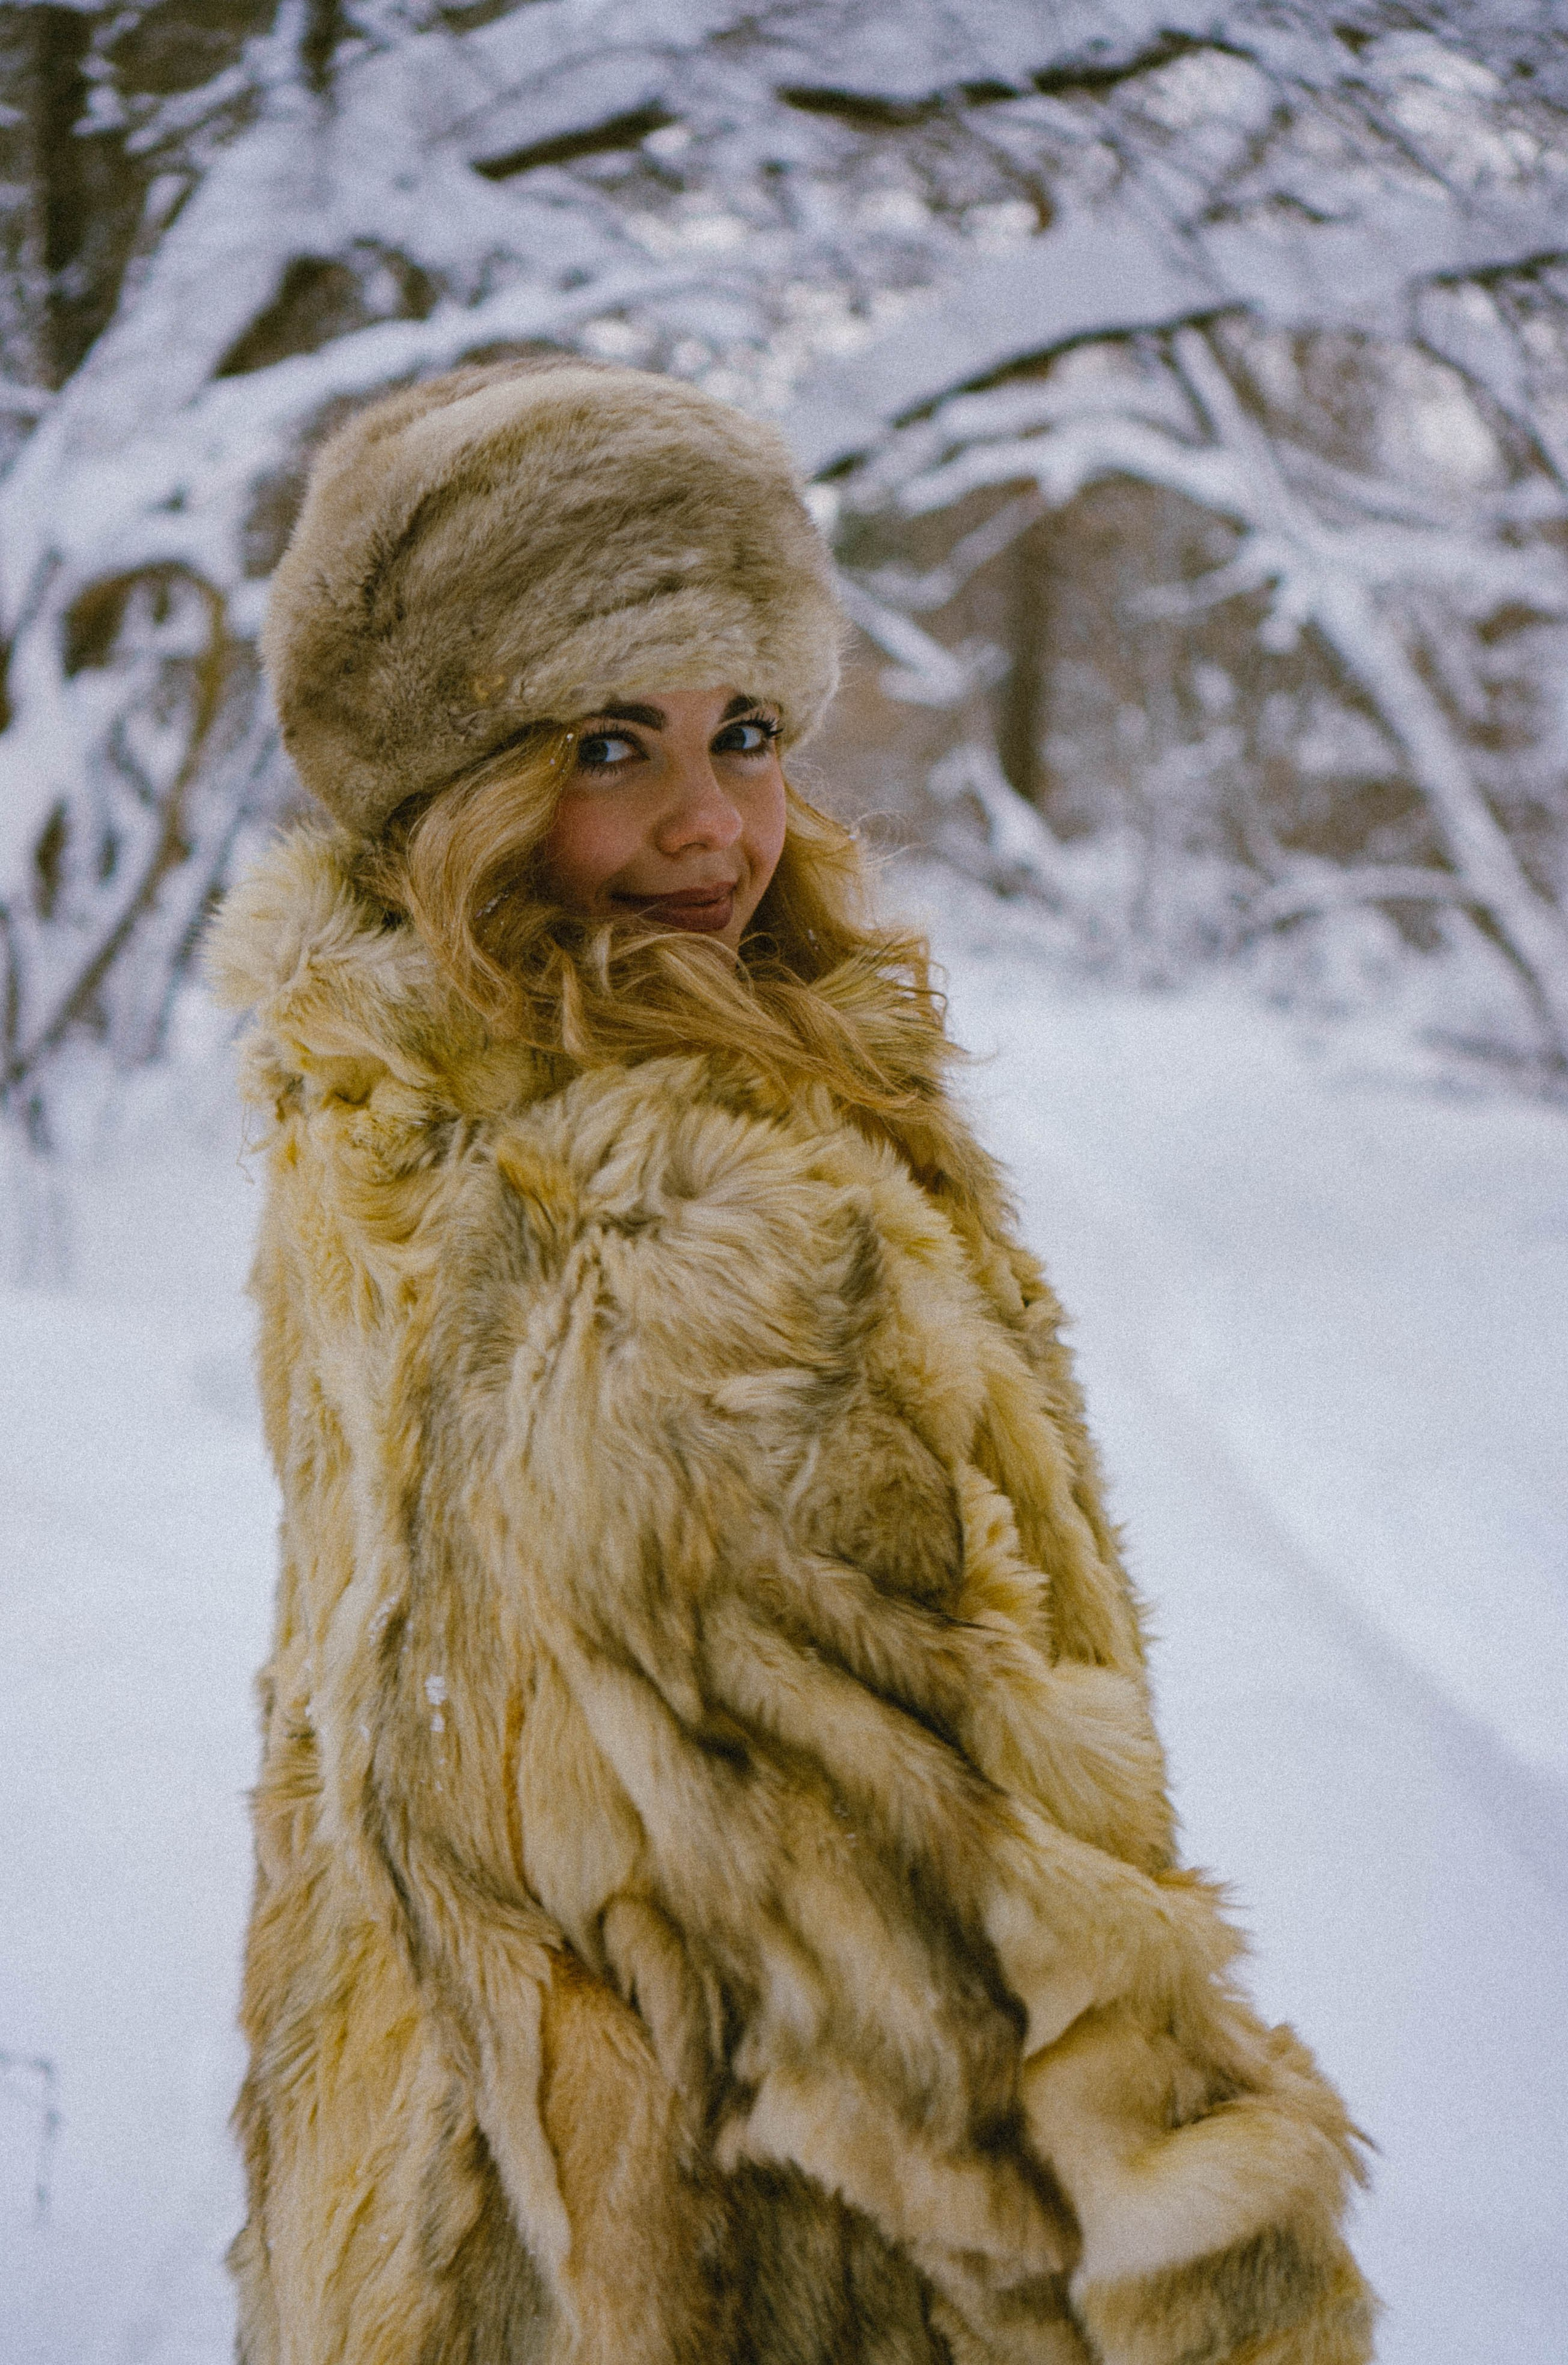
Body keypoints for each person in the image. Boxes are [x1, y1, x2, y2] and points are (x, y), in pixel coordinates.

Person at [208, 359, 1375, 2365]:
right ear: (447, 782)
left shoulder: (371, 1113)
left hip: (444, 2236)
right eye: (605, 744)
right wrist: (1232, 2288)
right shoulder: (702, 1234)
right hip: (762, 2271)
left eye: (746, 730)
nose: (713, 826)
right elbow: (964, 1942)